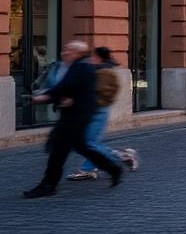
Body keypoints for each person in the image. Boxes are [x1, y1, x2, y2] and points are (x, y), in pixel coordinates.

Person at [23, 42, 125, 198]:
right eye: (65, 49)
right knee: (82, 147)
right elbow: (66, 88)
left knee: (59, 151)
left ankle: (48, 185)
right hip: (75, 114)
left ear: (78, 53)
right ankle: (114, 169)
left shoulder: (81, 67)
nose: (65, 52)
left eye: (70, 50)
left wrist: (43, 98)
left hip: (77, 116)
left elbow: (66, 88)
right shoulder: (73, 66)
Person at [68, 47, 138, 181]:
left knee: (89, 143)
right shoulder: (98, 70)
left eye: (93, 56)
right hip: (92, 109)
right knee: (89, 142)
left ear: (99, 57)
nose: (90, 58)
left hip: (98, 110)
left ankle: (122, 156)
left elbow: (99, 92)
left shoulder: (105, 73)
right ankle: (88, 168)